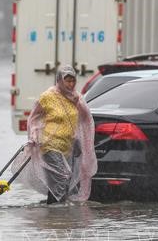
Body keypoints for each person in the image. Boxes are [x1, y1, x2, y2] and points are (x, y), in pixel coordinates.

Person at [12, 65, 97, 203]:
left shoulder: (76, 97)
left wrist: (80, 140)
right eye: (67, 81)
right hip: (49, 145)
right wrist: (34, 135)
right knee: (63, 175)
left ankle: (54, 213)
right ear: (59, 80)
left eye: (72, 81)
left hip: (67, 146)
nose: (70, 84)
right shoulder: (48, 96)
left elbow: (86, 119)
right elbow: (33, 118)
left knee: (62, 181)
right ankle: (58, 211)